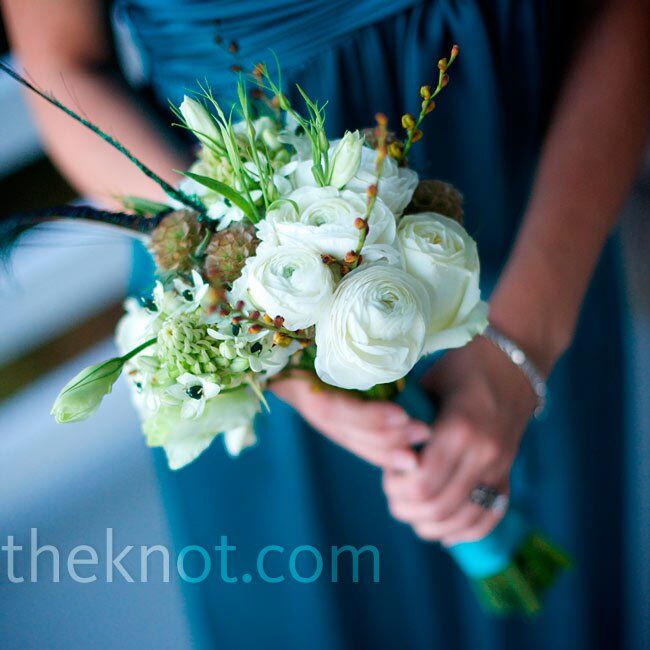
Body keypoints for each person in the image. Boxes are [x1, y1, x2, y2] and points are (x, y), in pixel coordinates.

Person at [3, 0, 649, 648]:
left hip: (547, 233)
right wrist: (262, 320)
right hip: (249, 293)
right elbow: (65, 63)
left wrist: (526, 336)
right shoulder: (255, 308)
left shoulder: (535, 304)